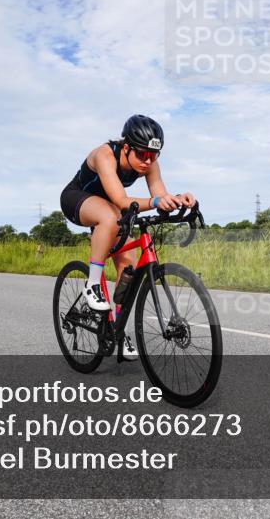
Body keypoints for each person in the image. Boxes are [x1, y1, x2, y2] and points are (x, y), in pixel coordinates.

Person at [60, 115, 196, 360]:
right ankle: (92, 284)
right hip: (76, 199)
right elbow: (123, 202)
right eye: (142, 154)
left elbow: (159, 197)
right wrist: (155, 202)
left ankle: (117, 332)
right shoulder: (104, 155)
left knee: (129, 269)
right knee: (111, 216)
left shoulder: (150, 163)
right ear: (126, 147)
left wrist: (177, 200)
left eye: (153, 156)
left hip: (109, 207)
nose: (147, 161)